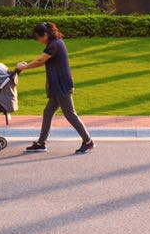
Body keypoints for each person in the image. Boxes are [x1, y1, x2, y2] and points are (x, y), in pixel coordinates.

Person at [15, 21, 94, 154]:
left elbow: (41, 61)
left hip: (62, 85)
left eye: (39, 38)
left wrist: (24, 67)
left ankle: (88, 141)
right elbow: (41, 59)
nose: (39, 41)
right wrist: (26, 65)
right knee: (48, 112)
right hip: (58, 85)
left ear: (45, 34)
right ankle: (41, 143)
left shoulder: (54, 45)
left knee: (70, 114)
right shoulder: (55, 42)